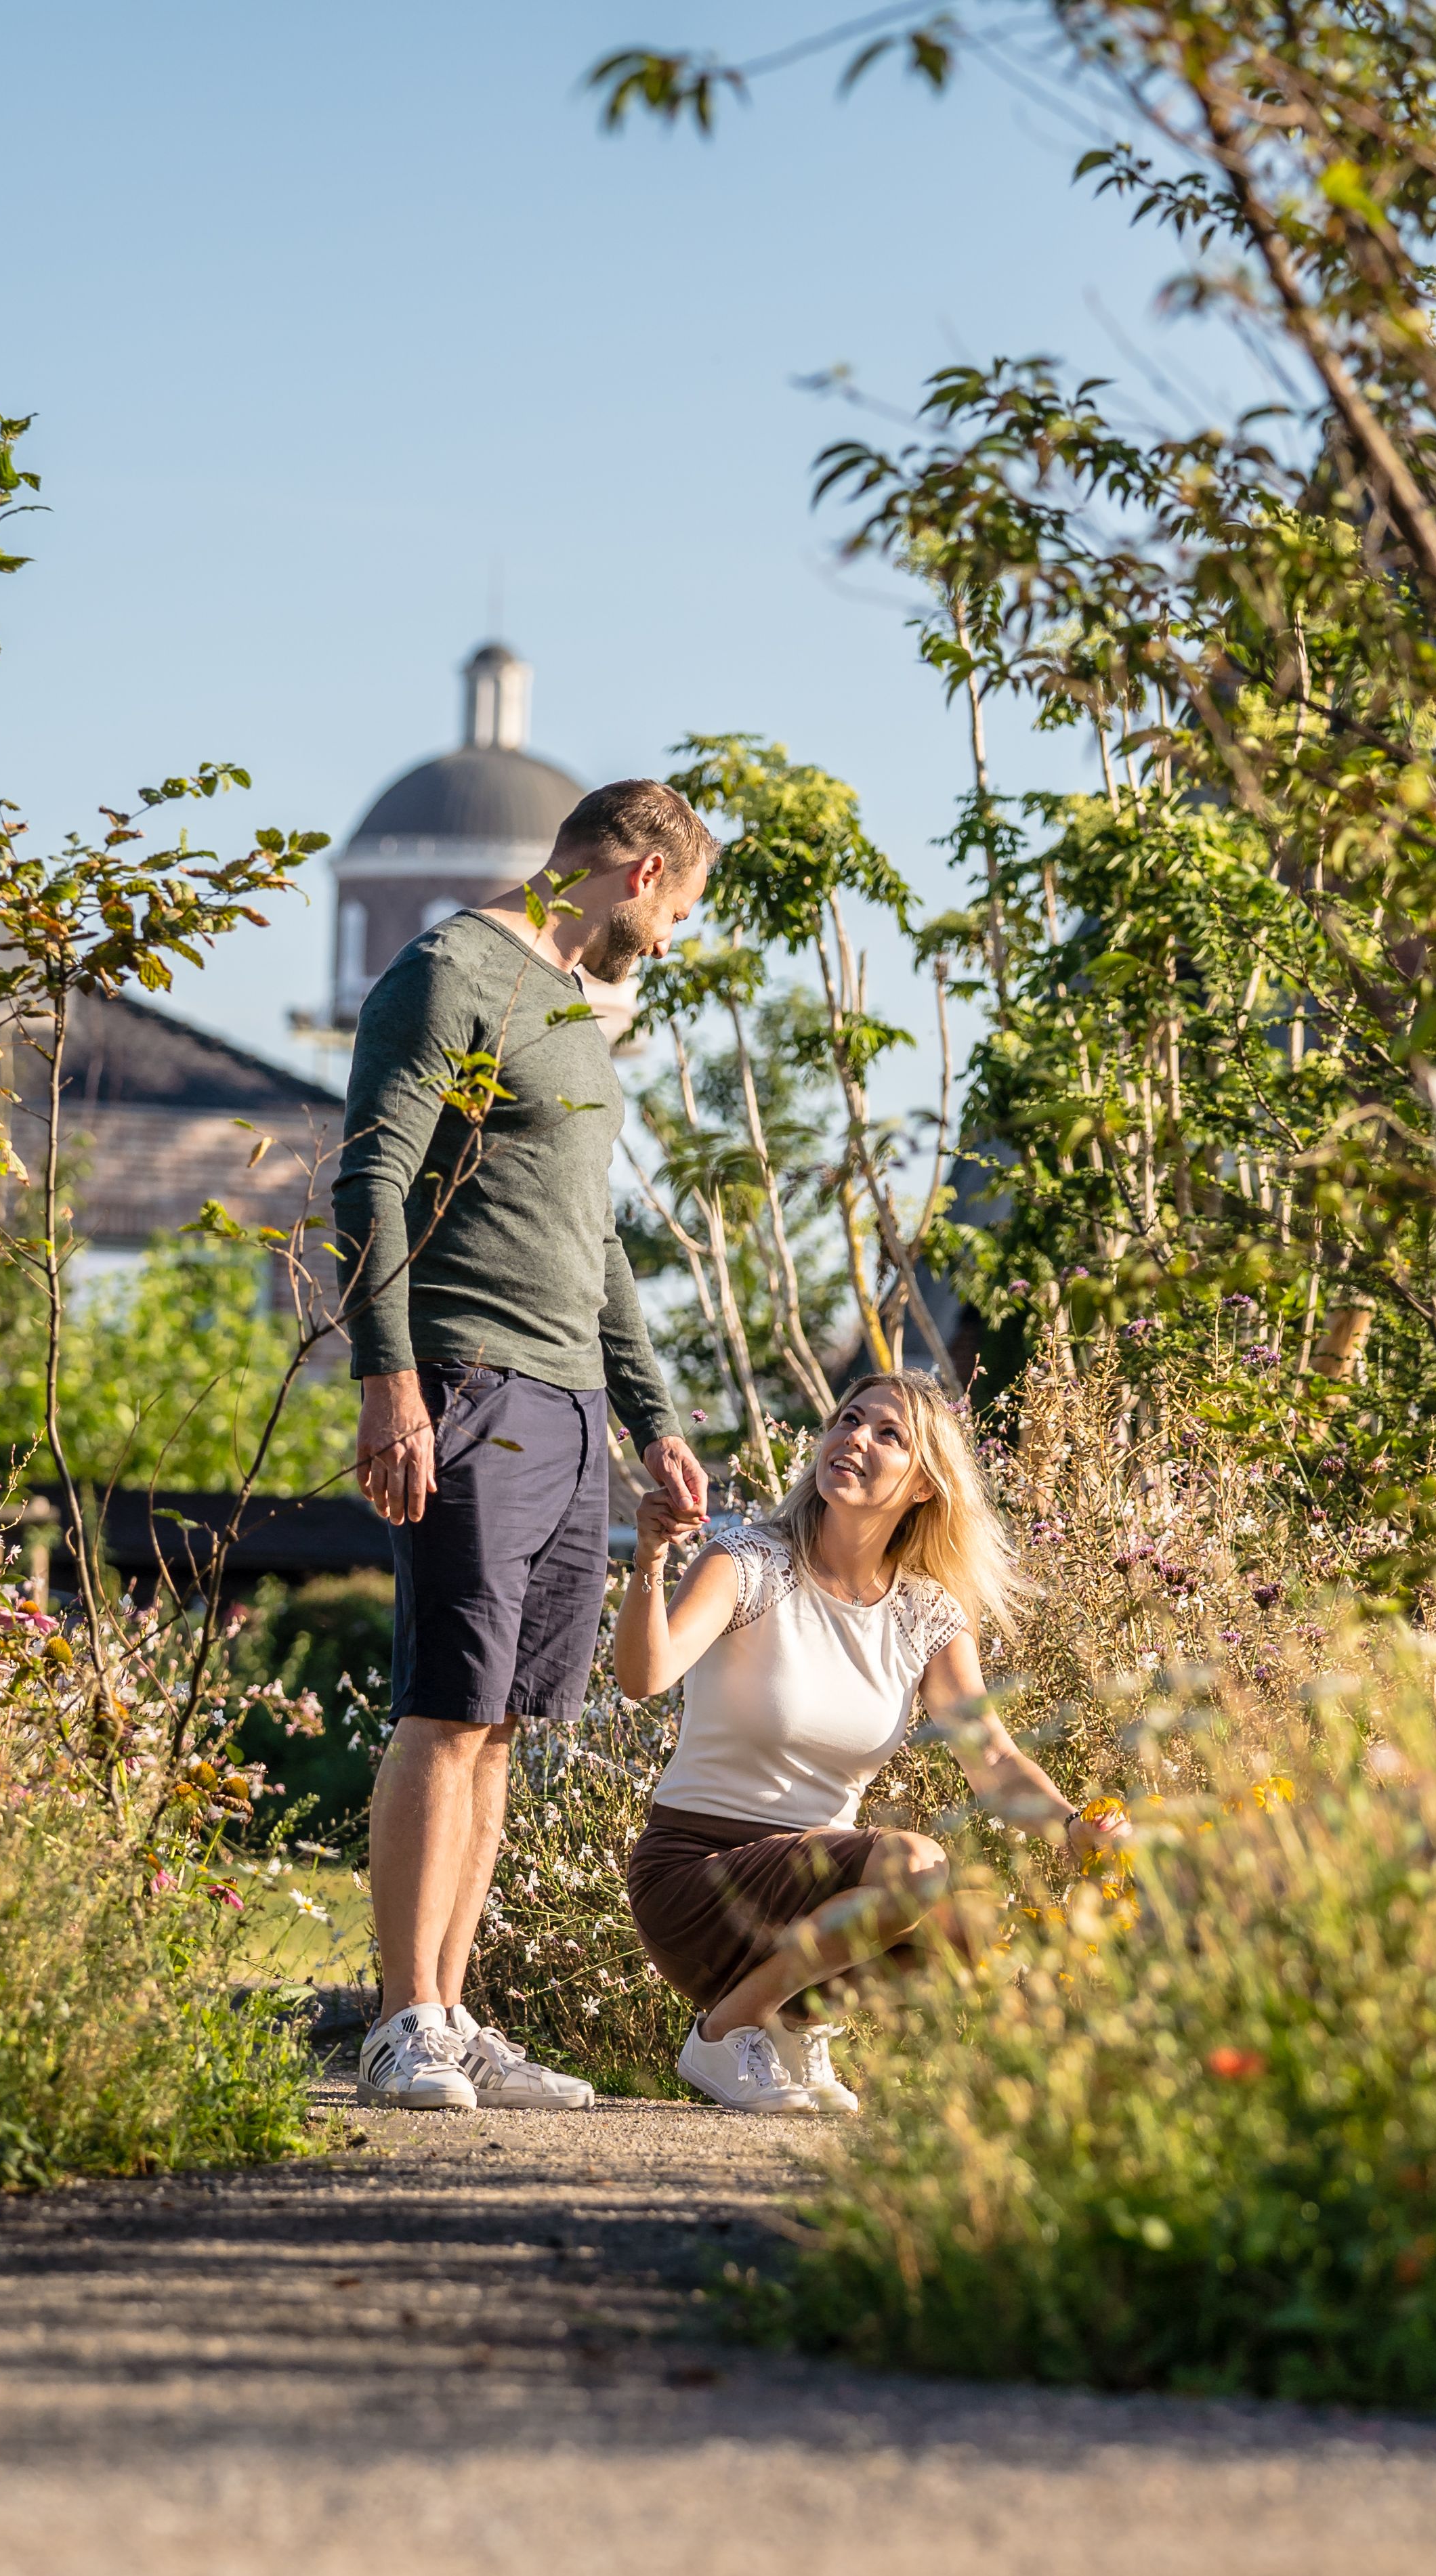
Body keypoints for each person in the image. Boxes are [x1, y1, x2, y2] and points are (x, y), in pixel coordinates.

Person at [338, 778, 718, 2114]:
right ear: (638, 871)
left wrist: (653, 1417)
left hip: (563, 1396)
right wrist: (391, 1382)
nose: (668, 941)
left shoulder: (565, 1010)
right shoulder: (452, 970)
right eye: (677, 910)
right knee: (446, 1704)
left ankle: (451, 2006)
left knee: (505, 1724)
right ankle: (400, 2022)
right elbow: (371, 1178)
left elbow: (596, 1244)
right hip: (469, 1378)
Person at [610, 1369, 1117, 2114]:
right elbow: (643, 1675)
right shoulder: (747, 1563)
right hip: (697, 1876)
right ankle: (726, 2033)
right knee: (916, 1865)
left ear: (922, 1486)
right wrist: (650, 1559)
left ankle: (789, 2025)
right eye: (848, 1419)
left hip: (816, 1895)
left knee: (984, 1929)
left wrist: (1075, 1826)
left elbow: (995, 1759)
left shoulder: (925, 1612)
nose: (855, 1438)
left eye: (888, 1434)